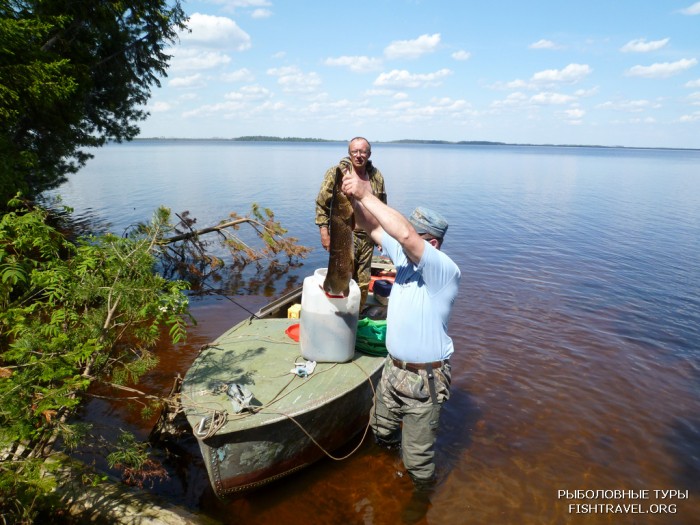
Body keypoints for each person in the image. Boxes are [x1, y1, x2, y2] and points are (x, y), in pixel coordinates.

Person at [341, 169, 461, 487]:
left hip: (426, 379)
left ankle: (419, 502)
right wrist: (353, 199)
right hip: (392, 370)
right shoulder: (404, 258)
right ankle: (388, 482)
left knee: (418, 463)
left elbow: (405, 235)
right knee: (380, 430)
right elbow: (371, 226)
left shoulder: (443, 270)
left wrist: (368, 193)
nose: (399, 238)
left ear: (432, 243)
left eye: (411, 234)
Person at [315, 137, 387, 308]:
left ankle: (357, 314)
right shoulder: (337, 173)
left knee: (363, 281)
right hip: (346, 233)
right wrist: (324, 232)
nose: (359, 155)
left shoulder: (376, 176)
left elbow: (383, 206)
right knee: (341, 273)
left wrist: (382, 235)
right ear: (349, 152)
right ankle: (336, 309)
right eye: (355, 151)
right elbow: (322, 202)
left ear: (369, 154)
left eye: (363, 151)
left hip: (369, 236)